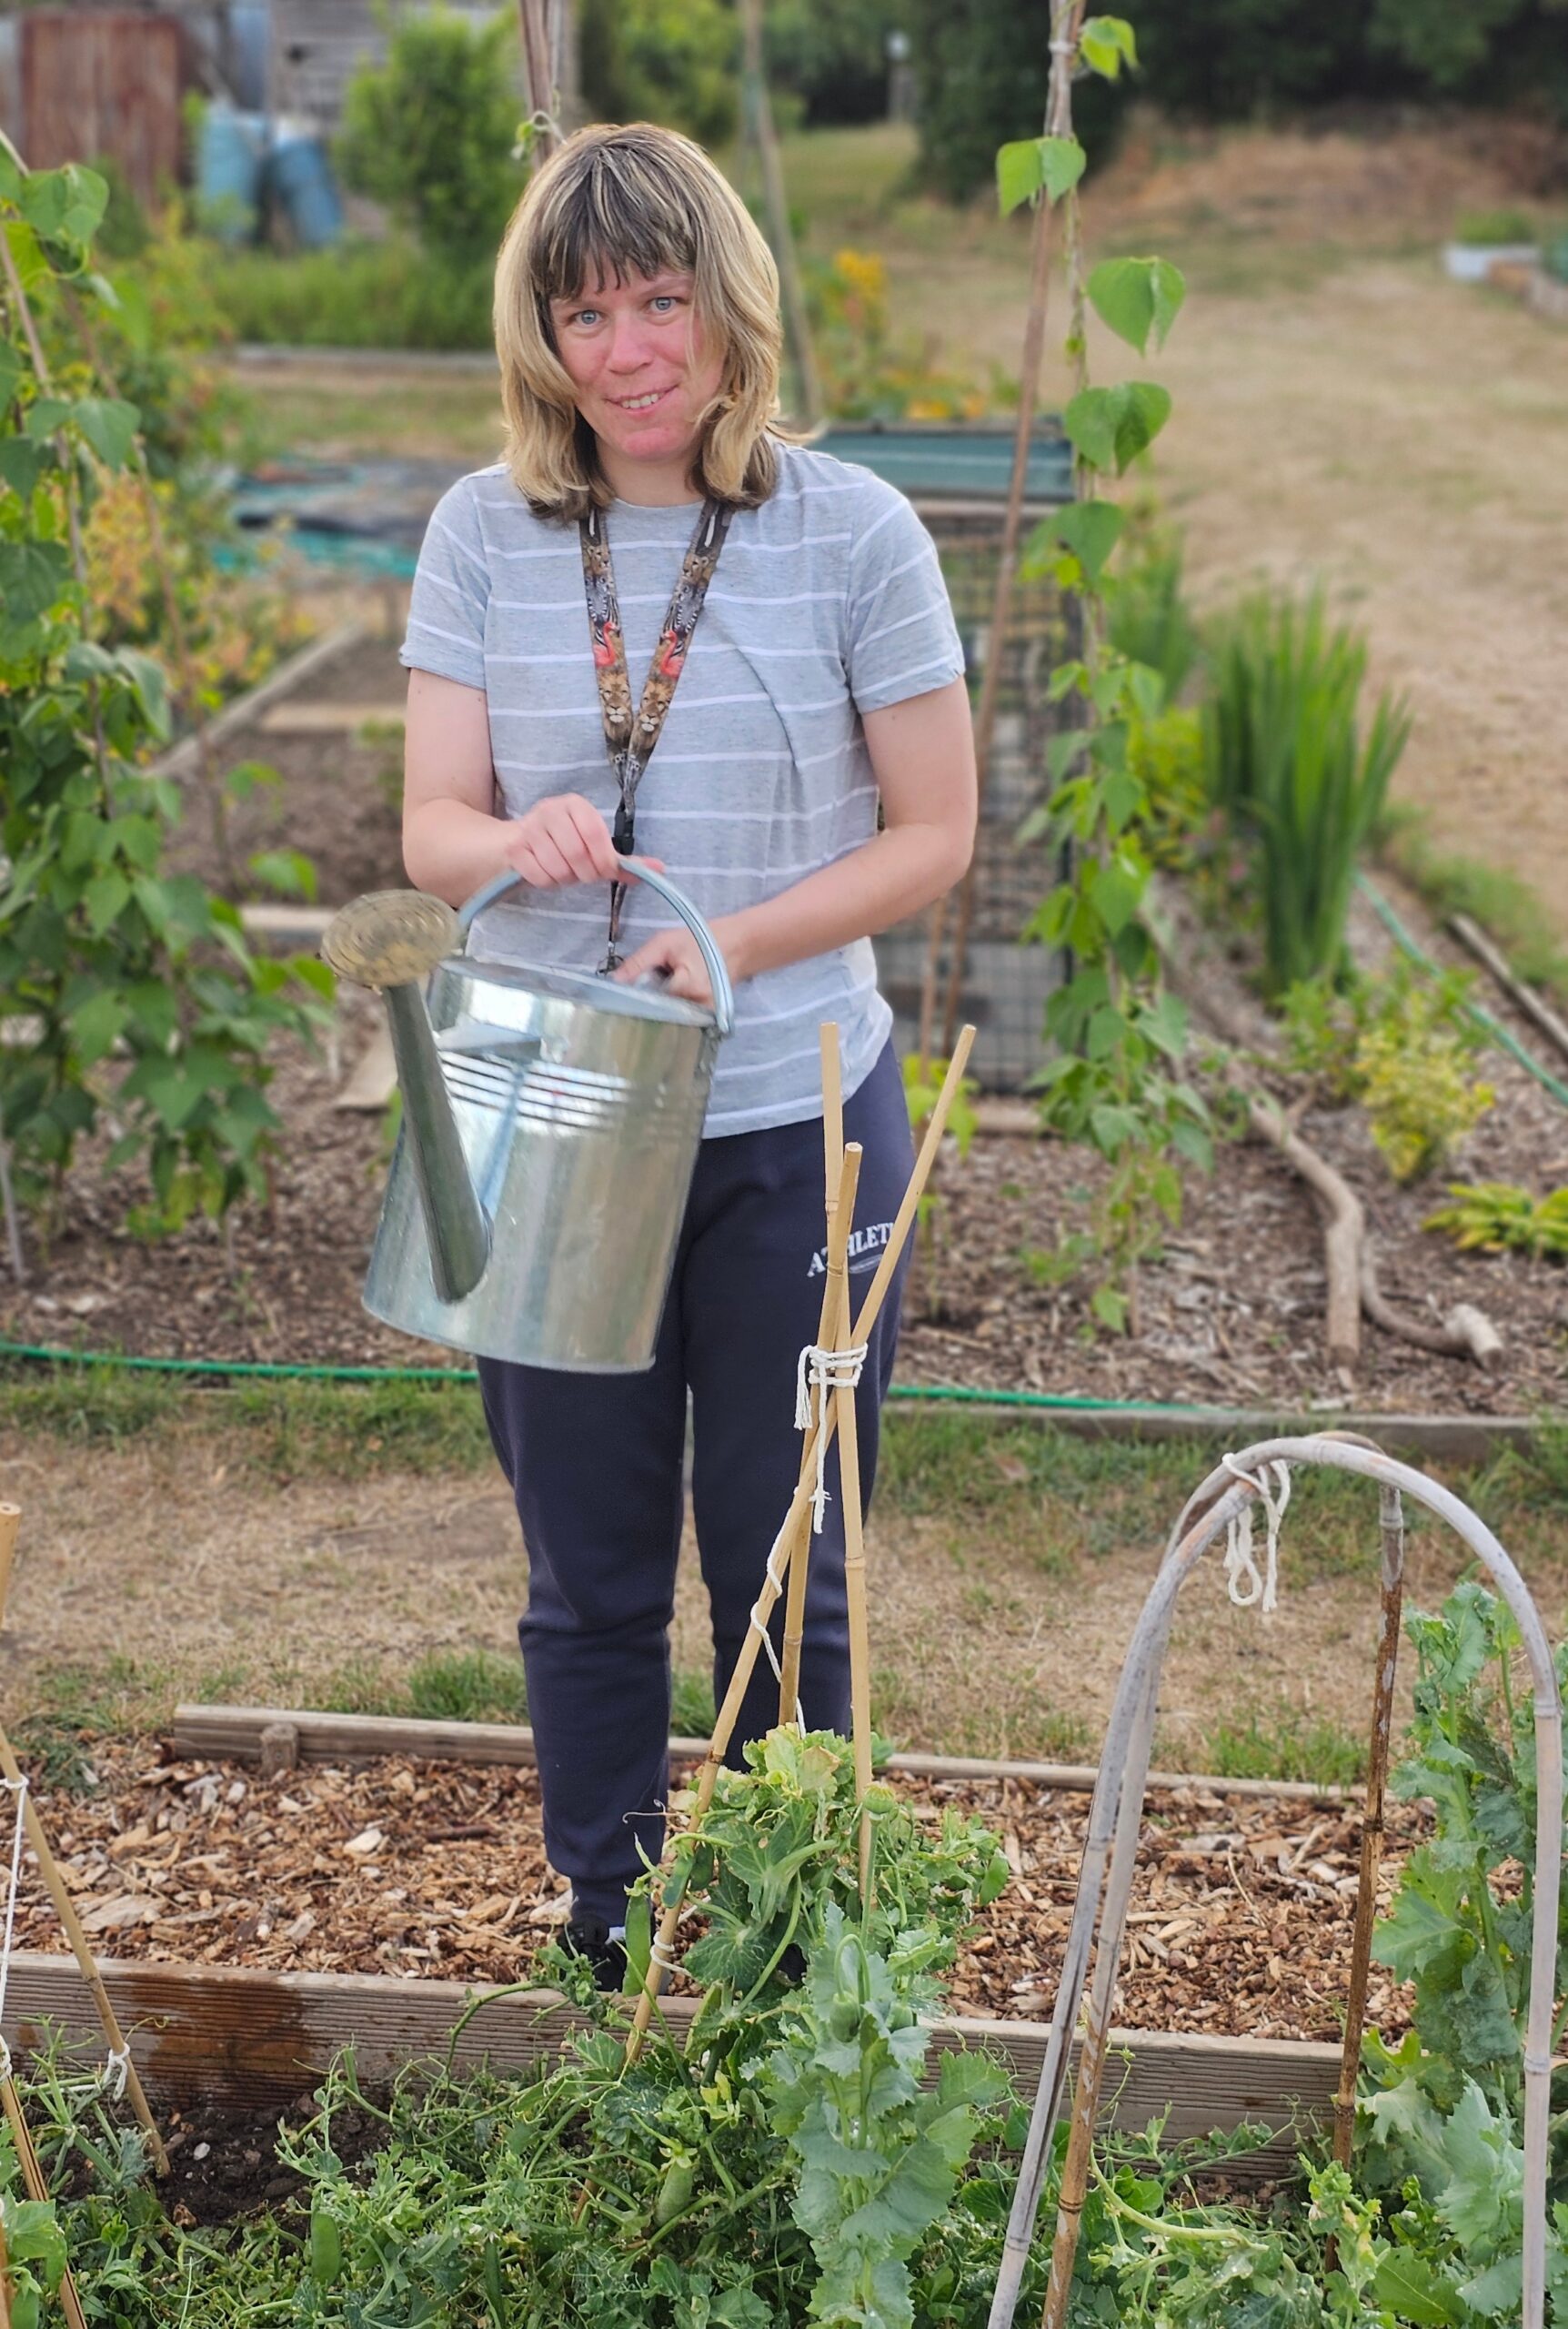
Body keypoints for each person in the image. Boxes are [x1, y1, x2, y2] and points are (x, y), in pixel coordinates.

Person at [399, 121, 977, 1984]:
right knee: (586, 1563)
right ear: (540, 338)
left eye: (663, 299)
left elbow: (932, 833)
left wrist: (730, 937)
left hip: (794, 1115)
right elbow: (432, 830)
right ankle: (610, 1923)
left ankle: (792, 1939)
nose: (631, 350)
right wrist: (518, 840)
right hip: (555, 1102)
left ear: (728, 309)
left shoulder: (853, 528)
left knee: (788, 1554)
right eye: (587, 312)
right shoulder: (483, 531)